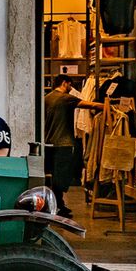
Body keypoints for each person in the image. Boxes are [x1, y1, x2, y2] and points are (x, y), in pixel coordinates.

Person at [44, 74, 101, 218]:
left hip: (49, 142)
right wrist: (109, 106)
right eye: (70, 85)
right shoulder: (66, 98)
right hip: (64, 142)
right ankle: (57, 206)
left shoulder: (46, 98)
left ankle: (58, 205)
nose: (71, 88)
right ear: (64, 83)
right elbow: (90, 105)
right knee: (61, 177)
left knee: (53, 175)